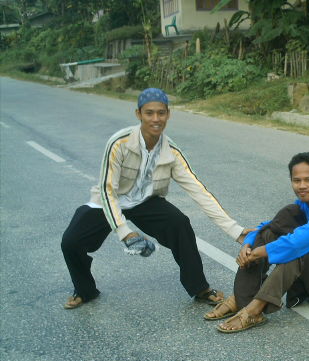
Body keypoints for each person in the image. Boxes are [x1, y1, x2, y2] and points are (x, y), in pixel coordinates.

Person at [61, 88, 251, 309]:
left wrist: (235, 230)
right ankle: (85, 290)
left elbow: (199, 191)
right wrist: (125, 232)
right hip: (109, 200)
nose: (155, 119)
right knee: (71, 242)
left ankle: (199, 288)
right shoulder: (119, 143)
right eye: (149, 113)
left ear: (168, 115)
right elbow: (107, 191)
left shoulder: (171, 152)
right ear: (138, 114)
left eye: (161, 113)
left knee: (180, 224)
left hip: (145, 201)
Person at [204, 152, 309, 333]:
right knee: (277, 224)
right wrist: (248, 244)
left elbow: (295, 244)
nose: (302, 186)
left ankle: (254, 310)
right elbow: (269, 225)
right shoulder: (304, 205)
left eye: (308, 180)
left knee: (298, 251)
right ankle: (242, 297)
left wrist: (256, 253)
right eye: (297, 180)